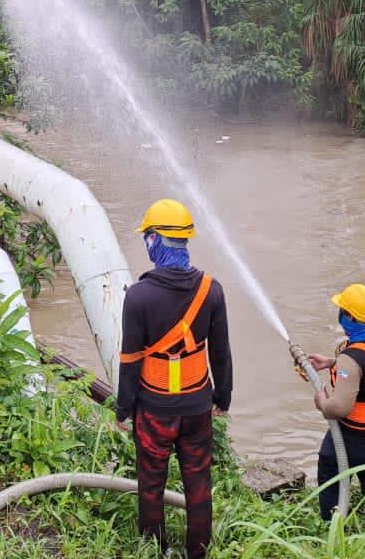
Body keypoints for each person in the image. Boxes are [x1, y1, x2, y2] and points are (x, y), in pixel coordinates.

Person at [116, 198, 232, 559]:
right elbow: (221, 353)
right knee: (199, 484)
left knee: (150, 484)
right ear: (185, 241)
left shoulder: (138, 297)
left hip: (154, 409)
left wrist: (124, 410)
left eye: (146, 237)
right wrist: (222, 399)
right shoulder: (211, 290)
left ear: (154, 240)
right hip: (197, 406)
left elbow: (131, 361)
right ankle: (198, 552)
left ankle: (155, 549)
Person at [300, 282, 365, 522]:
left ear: (350, 318)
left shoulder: (350, 359)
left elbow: (339, 408)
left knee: (329, 471)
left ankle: (331, 524)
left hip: (356, 438)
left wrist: (321, 400)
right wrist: (331, 363)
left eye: (343, 310)